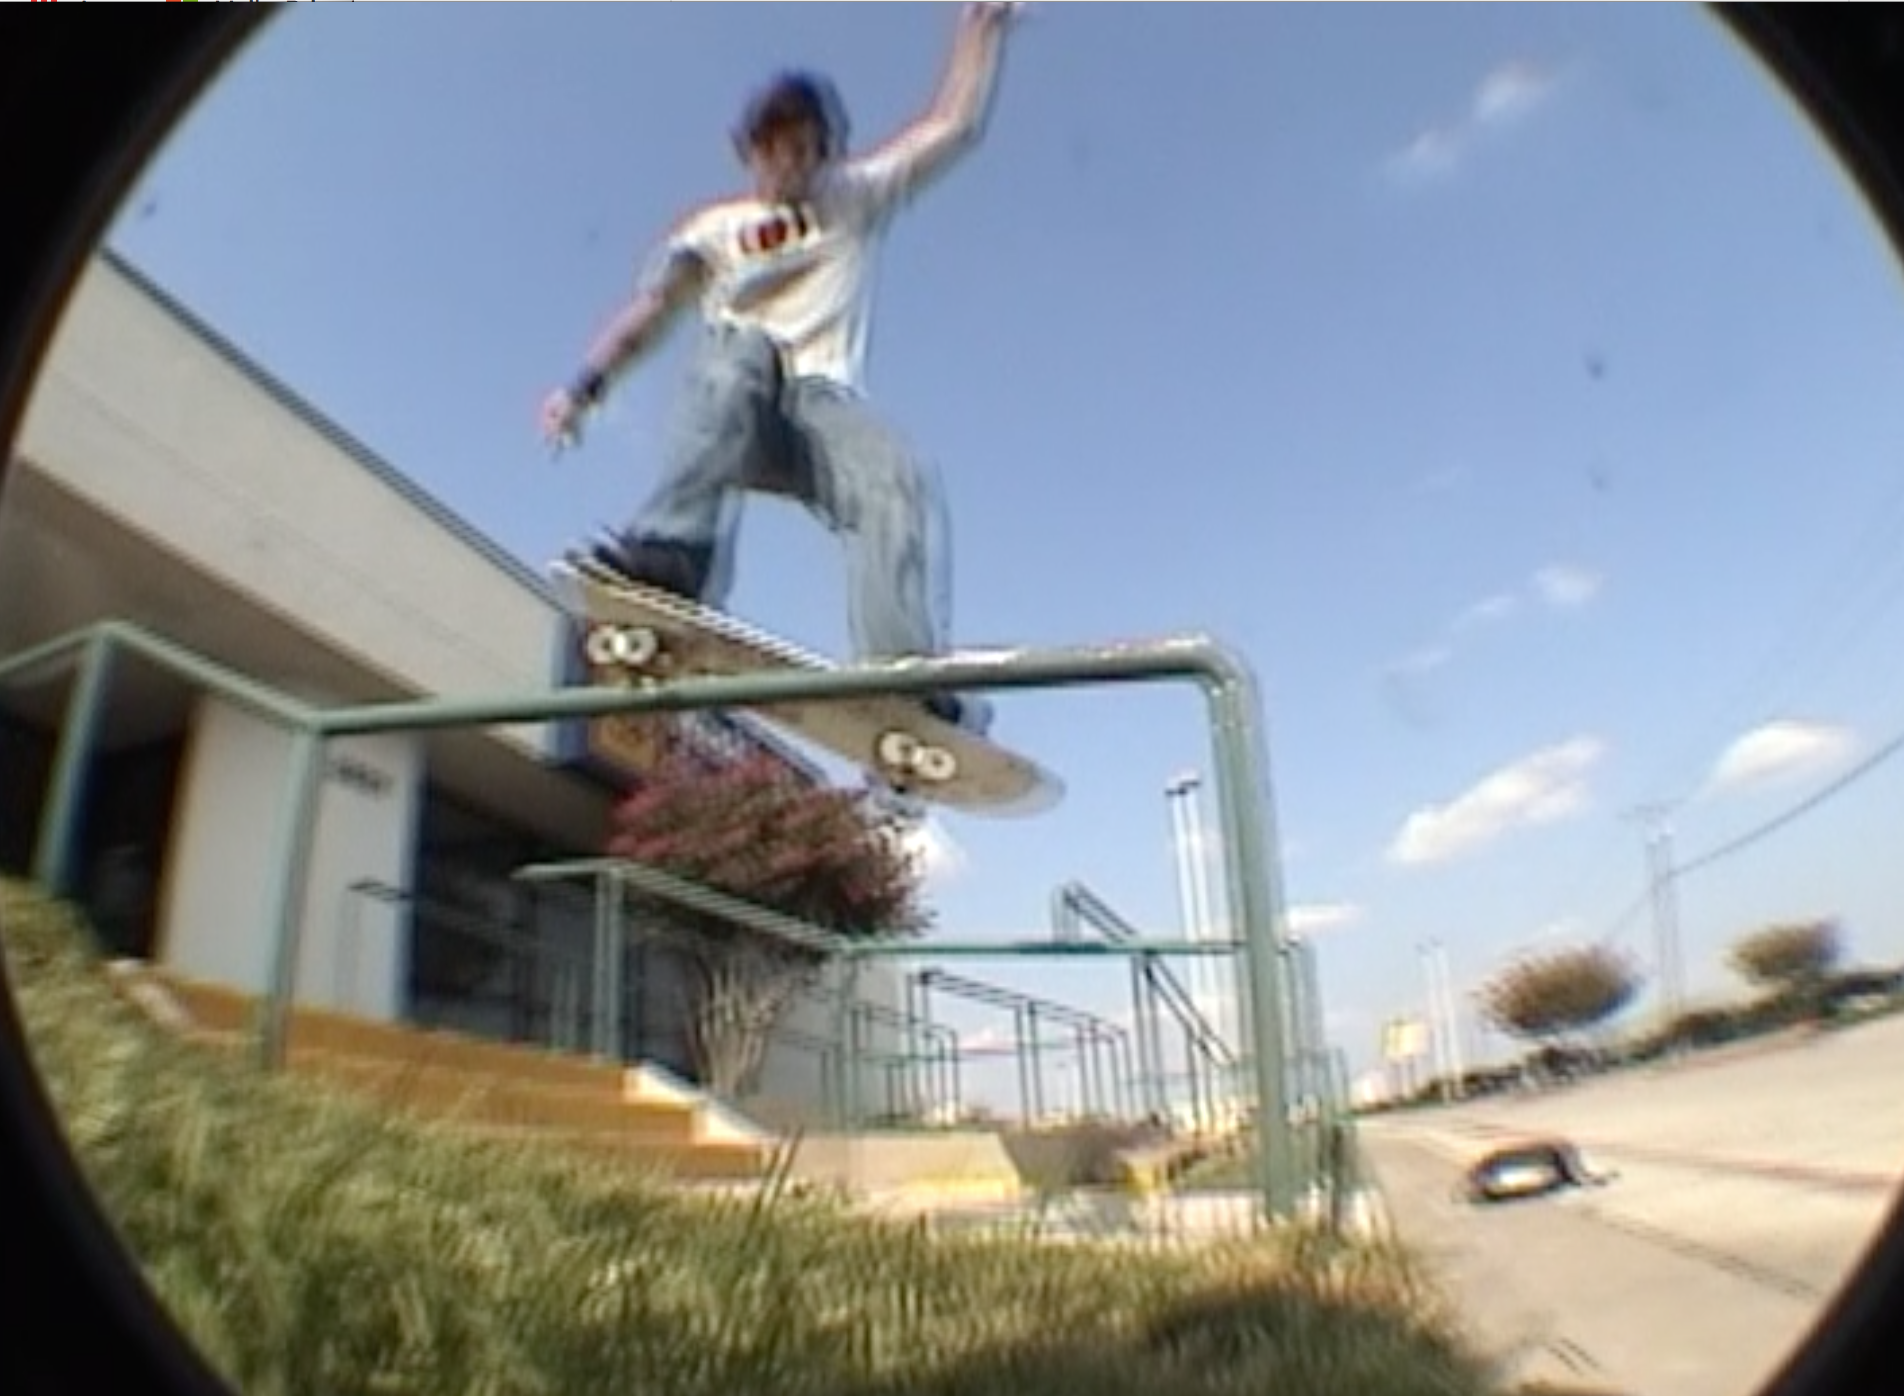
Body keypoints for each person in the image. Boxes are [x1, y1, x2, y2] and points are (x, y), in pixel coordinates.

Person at [539, 3, 1024, 742]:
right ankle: (672, 558)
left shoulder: (855, 196)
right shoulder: (711, 230)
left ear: (826, 152)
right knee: (738, 350)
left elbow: (951, 126)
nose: (789, 166)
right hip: (731, 412)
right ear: (751, 152)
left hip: (821, 414)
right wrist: (583, 387)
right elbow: (650, 316)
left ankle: (901, 675)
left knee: (897, 473)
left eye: (804, 151)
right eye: (775, 151)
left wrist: (977, 35)